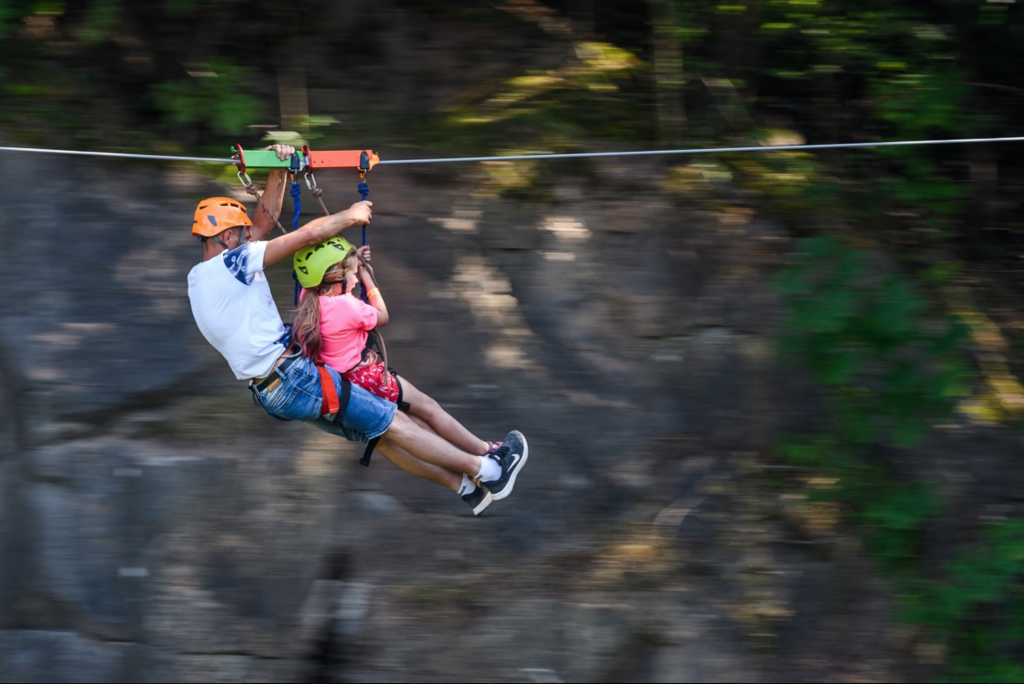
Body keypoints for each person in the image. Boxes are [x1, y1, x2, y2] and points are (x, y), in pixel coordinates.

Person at [186, 145, 528, 515]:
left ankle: (466, 488)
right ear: (227, 238)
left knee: (379, 435)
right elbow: (305, 236)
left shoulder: (199, 278)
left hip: (273, 392)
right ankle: (490, 471)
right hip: (292, 378)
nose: (252, 237)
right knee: (393, 421)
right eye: (244, 233)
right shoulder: (231, 262)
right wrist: (350, 216)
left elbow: (265, 225)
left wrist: (279, 167)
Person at [291, 237, 502, 457]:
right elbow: (382, 316)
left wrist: (354, 260)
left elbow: (325, 282)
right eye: (353, 274)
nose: (356, 279)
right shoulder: (346, 305)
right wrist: (368, 280)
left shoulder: (308, 299)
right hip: (368, 377)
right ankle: (485, 450)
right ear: (337, 279)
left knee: (416, 420)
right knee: (429, 408)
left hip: (346, 383)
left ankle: (466, 458)